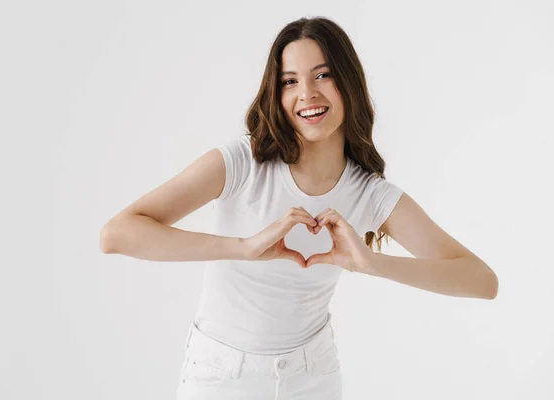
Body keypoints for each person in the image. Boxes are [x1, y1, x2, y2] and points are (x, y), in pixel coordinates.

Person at [100, 16, 499, 400]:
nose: (306, 93)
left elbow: (482, 281)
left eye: (322, 75)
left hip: (313, 377)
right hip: (221, 376)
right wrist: (242, 247)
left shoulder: (370, 194)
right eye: (290, 81)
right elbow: (117, 234)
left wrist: (369, 264)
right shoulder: (243, 163)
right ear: (277, 94)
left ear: (349, 83)